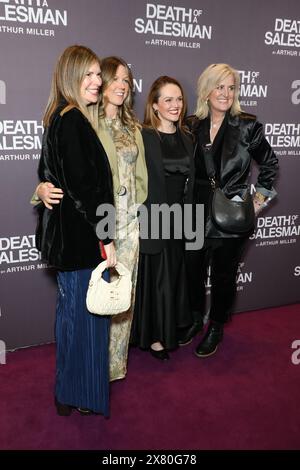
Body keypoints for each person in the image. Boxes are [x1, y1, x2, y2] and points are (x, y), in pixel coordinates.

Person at [34, 56, 148, 382]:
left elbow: (141, 179)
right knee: (90, 303)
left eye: (127, 80)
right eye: (115, 78)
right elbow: (67, 174)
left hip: (127, 223)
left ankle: (114, 367)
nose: (121, 86)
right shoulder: (84, 117)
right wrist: (40, 189)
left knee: (121, 299)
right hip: (96, 226)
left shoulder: (134, 129)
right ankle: (90, 371)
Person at [35, 45, 115, 417]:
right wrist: (108, 236)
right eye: (89, 75)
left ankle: (68, 390)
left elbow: (51, 175)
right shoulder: (72, 120)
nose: (97, 81)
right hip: (82, 239)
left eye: (99, 74)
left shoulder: (57, 116)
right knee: (86, 318)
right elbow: (85, 190)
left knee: (72, 315)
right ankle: (79, 392)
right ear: (71, 76)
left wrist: (42, 187)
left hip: (69, 240)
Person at [182, 63, 278, 357]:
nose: (225, 93)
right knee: (192, 271)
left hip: (230, 217)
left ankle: (216, 327)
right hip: (194, 213)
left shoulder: (248, 125)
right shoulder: (191, 125)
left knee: (223, 275)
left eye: (231, 87)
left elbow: (270, 166)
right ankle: (196, 319)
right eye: (219, 86)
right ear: (206, 90)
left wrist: (256, 202)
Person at [130, 76, 194, 360]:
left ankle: (171, 328)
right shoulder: (142, 137)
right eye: (168, 99)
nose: (175, 105)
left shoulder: (187, 137)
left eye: (178, 99)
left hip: (181, 218)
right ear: (154, 105)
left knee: (175, 275)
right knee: (157, 278)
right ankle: (156, 336)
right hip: (154, 217)